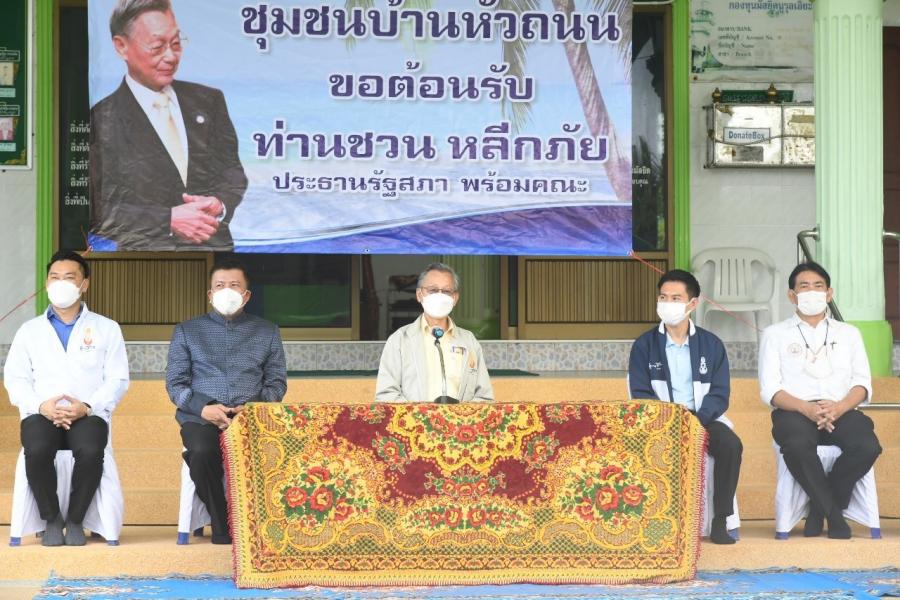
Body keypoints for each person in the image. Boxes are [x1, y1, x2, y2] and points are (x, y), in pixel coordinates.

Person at [90, 0, 247, 251]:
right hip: (146, 261)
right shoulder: (102, 118)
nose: (171, 56)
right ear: (121, 46)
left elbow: (232, 172)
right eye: (157, 47)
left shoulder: (209, 101)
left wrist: (219, 203)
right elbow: (97, 208)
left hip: (214, 255)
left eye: (175, 43)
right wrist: (167, 220)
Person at [4, 251, 129, 546]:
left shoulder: (106, 328)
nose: (60, 283)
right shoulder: (29, 331)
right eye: (54, 277)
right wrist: (41, 406)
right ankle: (51, 519)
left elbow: (117, 379)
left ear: (84, 284)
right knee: (36, 448)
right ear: (47, 284)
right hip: (41, 413)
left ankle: (75, 518)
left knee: (91, 449)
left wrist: (87, 406)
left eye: (69, 277)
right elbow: (15, 378)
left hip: (87, 413)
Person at [166, 258, 286, 544]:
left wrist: (252, 407)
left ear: (247, 295)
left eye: (234, 285)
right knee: (201, 452)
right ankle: (222, 520)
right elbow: (175, 384)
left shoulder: (267, 331)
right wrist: (203, 407)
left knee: (275, 454)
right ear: (210, 294)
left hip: (251, 416)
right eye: (220, 285)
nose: (227, 291)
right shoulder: (187, 331)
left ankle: (267, 524)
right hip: (200, 416)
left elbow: (276, 383)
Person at [759, 262, 880, 539]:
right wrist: (807, 408)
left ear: (829, 293)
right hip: (795, 410)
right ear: (792, 295)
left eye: (818, 286)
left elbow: (862, 383)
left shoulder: (848, 333)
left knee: (867, 446)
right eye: (804, 286)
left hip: (841, 408)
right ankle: (835, 516)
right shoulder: (775, 334)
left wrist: (839, 407)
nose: (812, 291)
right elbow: (770, 389)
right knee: (796, 445)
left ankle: (819, 507)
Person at [628, 269, 742, 545]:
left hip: (703, 418)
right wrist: (671, 419)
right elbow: (640, 393)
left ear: (692, 303)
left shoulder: (711, 345)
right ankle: (660, 524)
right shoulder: (644, 345)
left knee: (730, 445)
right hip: (661, 420)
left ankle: (720, 520)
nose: (667, 303)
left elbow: (720, 394)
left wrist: (697, 419)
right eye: (663, 297)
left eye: (675, 298)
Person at [375, 263, 493, 403]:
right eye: (433, 290)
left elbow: (484, 397)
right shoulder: (399, 340)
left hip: (460, 417)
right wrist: (421, 414)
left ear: (455, 298)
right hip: (416, 417)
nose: (440, 296)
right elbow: (386, 394)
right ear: (419, 295)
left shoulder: (469, 341)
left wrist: (460, 414)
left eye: (447, 291)